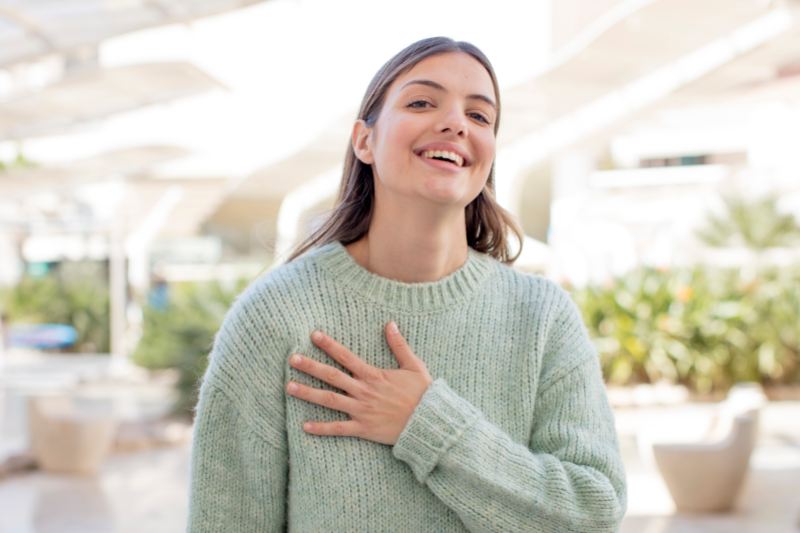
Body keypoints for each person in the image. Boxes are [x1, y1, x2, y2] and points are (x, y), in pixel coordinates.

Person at [187, 37, 627, 532]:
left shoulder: (543, 318)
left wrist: (428, 423)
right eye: (421, 102)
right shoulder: (274, 316)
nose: (457, 123)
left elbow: (594, 513)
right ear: (364, 141)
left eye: (480, 116)